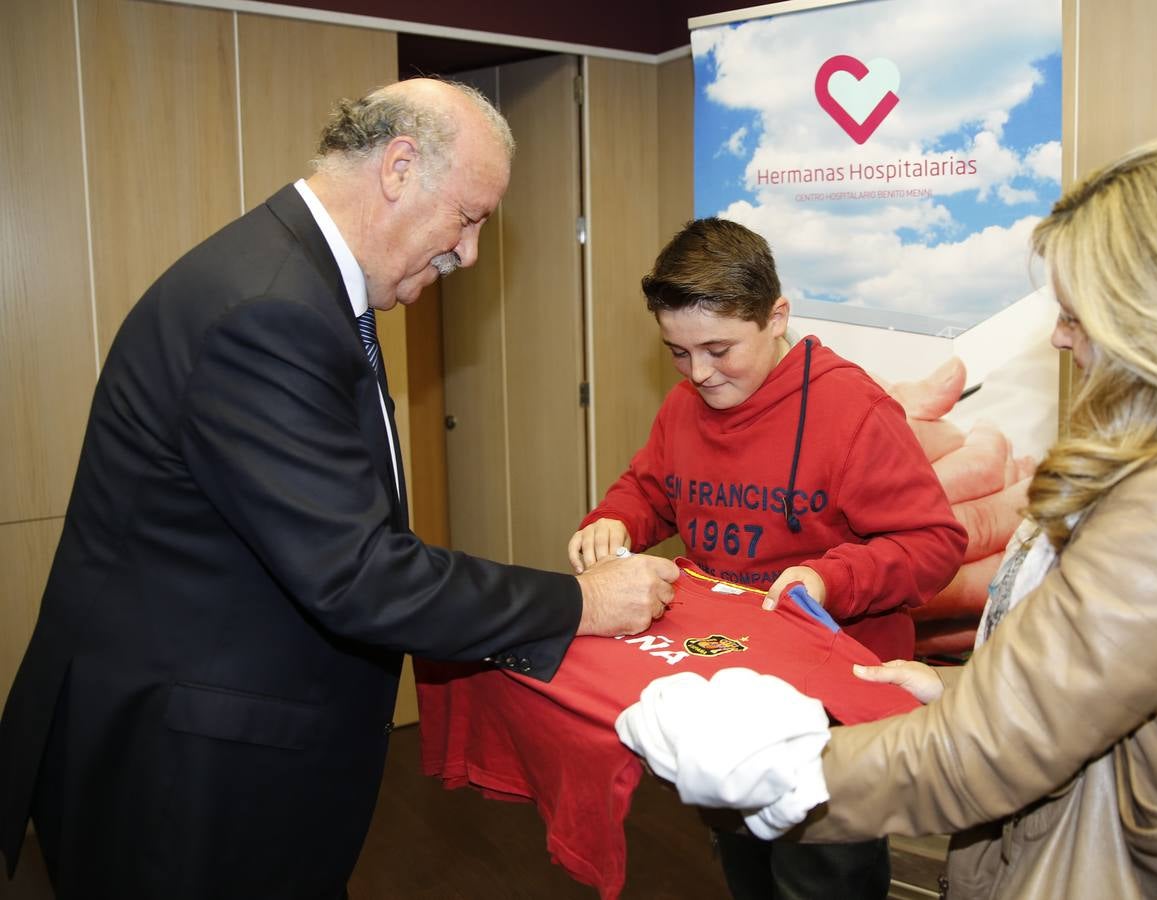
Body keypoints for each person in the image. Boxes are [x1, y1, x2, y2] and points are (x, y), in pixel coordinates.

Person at [619, 140, 1157, 896]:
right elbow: (1101, 676)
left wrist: (776, 775)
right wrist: (970, 689)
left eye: (1078, 314)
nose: (1061, 336)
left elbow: (989, 753)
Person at [0, 77, 677, 899]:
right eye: (469, 218)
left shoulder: (305, 281)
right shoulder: (270, 309)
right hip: (187, 768)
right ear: (398, 167)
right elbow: (359, 572)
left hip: (222, 731)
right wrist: (583, 604)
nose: (468, 254)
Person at [567, 217, 967, 900]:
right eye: (677, 352)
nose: (698, 373)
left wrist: (829, 577)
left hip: (828, 706)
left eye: (719, 349)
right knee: (744, 862)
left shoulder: (853, 409)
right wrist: (613, 520)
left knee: (823, 878)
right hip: (726, 685)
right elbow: (654, 488)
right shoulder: (687, 403)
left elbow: (934, 544)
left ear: (777, 316)